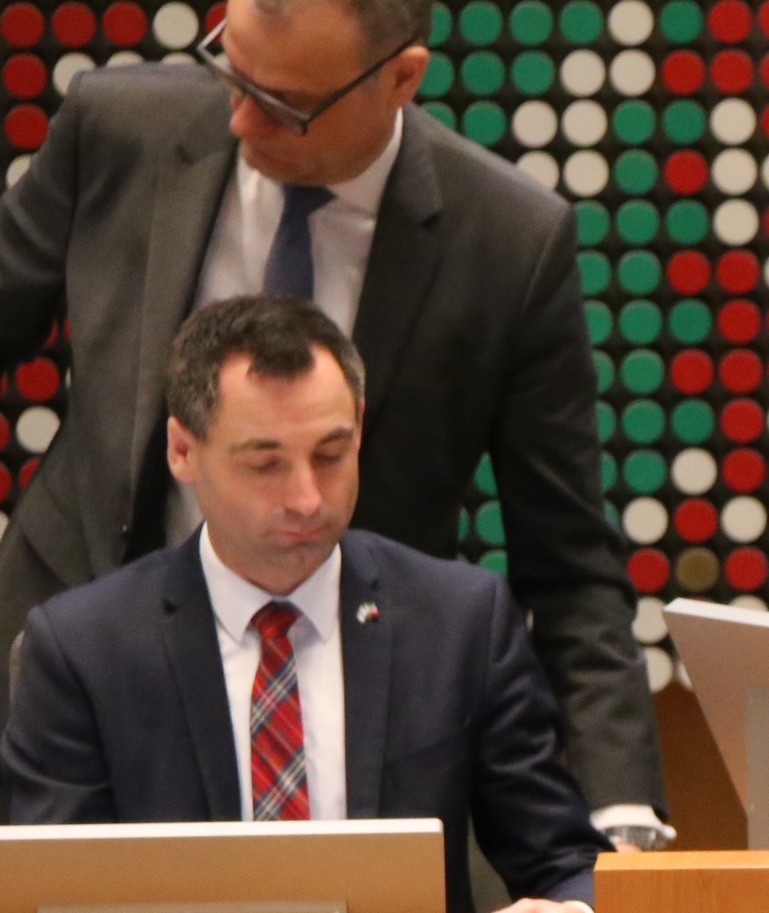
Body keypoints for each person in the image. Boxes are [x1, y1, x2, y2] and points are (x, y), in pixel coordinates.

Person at [0, 0, 667, 842]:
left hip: (332, 701)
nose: (239, 117)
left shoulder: (507, 240)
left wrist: (621, 811)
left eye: (282, 104)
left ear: (401, 78)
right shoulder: (116, 127)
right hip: (68, 659)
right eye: (229, 70)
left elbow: (569, 563)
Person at [2, 297, 604, 913]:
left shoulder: (461, 623)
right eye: (266, 464)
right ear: (182, 450)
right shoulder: (86, 649)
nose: (307, 499)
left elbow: (566, 863)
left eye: (331, 454)